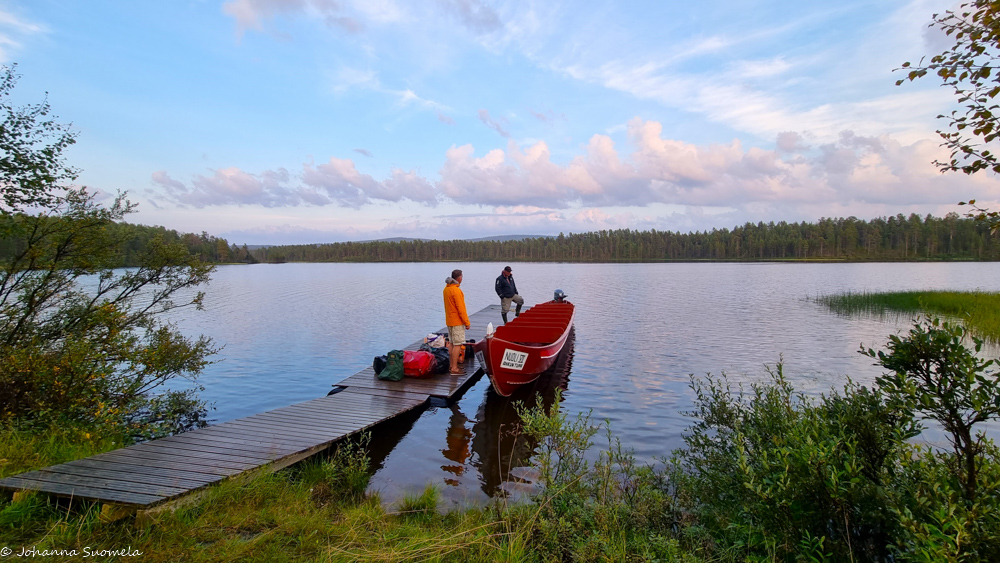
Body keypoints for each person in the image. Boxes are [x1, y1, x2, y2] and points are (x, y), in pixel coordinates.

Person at [443, 269, 471, 375]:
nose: (462, 278)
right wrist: (466, 322)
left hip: (449, 320)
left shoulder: (446, 289)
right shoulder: (456, 290)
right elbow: (461, 309)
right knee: (458, 344)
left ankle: (451, 365)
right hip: (457, 321)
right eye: (462, 276)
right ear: (459, 278)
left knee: (451, 343)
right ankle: (454, 368)